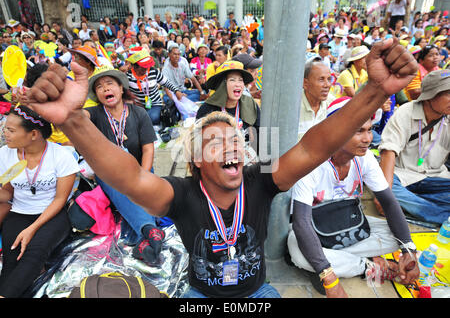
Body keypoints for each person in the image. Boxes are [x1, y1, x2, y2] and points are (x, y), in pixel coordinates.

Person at [21, 37, 417, 298]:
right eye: (215, 141)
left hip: (258, 294)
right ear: (195, 163)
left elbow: (317, 145)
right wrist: (73, 122)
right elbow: (128, 176)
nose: (230, 144)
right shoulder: (181, 194)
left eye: (236, 141)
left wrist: (375, 90)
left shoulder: (260, 183)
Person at [287, 97, 419, 298]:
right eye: (359, 131)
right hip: (314, 229)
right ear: (336, 131)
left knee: (398, 235)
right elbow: (301, 223)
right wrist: (329, 277)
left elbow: (389, 203)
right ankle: (364, 266)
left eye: (369, 129)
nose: (368, 138)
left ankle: (330, 263)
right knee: (296, 247)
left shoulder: (364, 158)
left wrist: (408, 251)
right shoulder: (311, 161)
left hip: (348, 225)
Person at [82, 65, 167, 262]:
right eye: (99, 87)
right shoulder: (93, 114)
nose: (105, 89)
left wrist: (143, 176)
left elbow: (148, 149)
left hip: (139, 168)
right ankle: (149, 228)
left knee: (144, 190)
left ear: (121, 88)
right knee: (120, 186)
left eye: (110, 84)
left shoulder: (138, 113)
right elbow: (79, 118)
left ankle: (143, 240)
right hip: (109, 171)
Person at [0, 105, 79, 298]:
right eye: (4, 127)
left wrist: (32, 228)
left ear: (33, 134)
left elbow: (60, 199)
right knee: (11, 259)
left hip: (54, 213)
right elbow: (8, 194)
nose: (4, 133)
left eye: (11, 130)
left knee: (35, 253)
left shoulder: (61, 156)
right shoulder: (5, 154)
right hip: (19, 212)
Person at [378, 69, 450, 225]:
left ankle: (419, 207)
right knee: (386, 189)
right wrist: (385, 196)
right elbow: (388, 152)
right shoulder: (406, 113)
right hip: (402, 176)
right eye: (448, 94)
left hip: (435, 178)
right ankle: (438, 214)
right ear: (431, 95)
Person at [124, 46, 183, 125]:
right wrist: (132, 101)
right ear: (134, 66)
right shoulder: (128, 76)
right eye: (143, 68)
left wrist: (176, 91)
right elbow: (124, 93)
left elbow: (167, 83)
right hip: (138, 106)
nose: (146, 69)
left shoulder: (153, 71)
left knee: (152, 118)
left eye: (147, 67)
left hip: (155, 104)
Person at [298, 57, 335, 140]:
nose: (327, 85)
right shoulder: (290, 106)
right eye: (321, 79)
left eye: (329, 79)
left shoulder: (332, 104)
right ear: (305, 83)